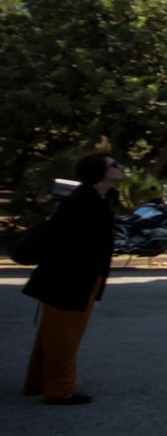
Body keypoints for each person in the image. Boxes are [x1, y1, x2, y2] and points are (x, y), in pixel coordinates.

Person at [22, 151, 123, 405]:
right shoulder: (84, 201)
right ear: (101, 173)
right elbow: (63, 239)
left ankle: (40, 382)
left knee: (54, 333)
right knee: (64, 335)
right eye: (113, 165)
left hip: (75, 276)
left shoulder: (91, 199)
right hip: (70, 277)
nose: (119, 168)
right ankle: (60, 390)